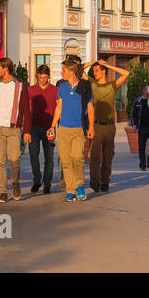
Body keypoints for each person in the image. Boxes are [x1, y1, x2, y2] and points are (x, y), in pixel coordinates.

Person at [0, 57, 32, 204]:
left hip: (13, 129)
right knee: (0, 161)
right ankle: (2, 191)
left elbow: (26, 110)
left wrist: (27, 130)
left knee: (15, 159)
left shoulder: (19, 85)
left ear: (6, 68)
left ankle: (15, 182)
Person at [49, 58, 92, 202]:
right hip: (63, 129)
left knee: (77, 157)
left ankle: (80, 185)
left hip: (79, 128)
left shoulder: (85, 86)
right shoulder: (62, 86)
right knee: (66, 161)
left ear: (72, 71)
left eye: (64, 70)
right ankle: (70, 190)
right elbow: (58, 107)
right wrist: (52, 126)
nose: (62, 73)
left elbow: (90, 107)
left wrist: (91, 126)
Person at [84, 59, 129, 193]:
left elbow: (126, 73)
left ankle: (105, 182)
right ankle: (94, 180)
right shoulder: (92, 83)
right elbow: (78, 70)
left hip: (110, 127)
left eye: (98, 70)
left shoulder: (112, 85)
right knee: (94, 156)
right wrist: (93, 63)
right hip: (95, 125)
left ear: (104, 71)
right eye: (94, 70)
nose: (95, 72)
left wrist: (108, 65)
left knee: (108, 156)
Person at [27, 64, 57, 194]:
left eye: (45, 77)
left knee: (49, 157)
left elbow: (58, 108)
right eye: (40, 77)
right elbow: (27, 109)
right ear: (37, 76)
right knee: (33, 155)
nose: (42, 80)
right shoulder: (30, 90)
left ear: (49, 77)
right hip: (33, 127)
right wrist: (25, 128)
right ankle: (37, 180)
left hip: (49, 128)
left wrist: (54, 126)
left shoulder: (55, 90)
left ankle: (47, 184)